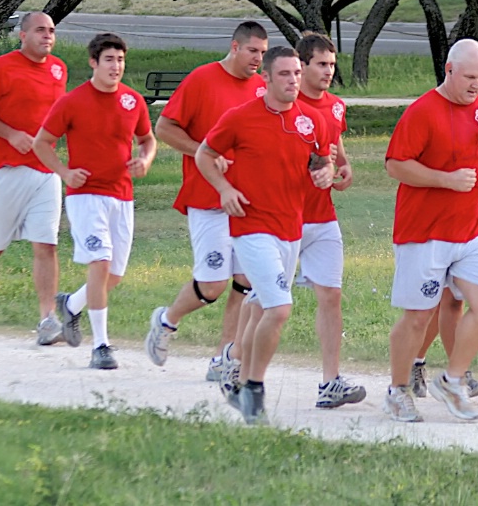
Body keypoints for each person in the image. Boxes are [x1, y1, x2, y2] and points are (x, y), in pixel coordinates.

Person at [195, 45, 334, 425]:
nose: (293, 80)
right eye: (285, 74)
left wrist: (324, 172)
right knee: (279, 308)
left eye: (295, 73)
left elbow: (322, 162)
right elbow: (205, 154)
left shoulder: (312, 121)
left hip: (291, 228)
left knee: (259, 307)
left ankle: (236, 375)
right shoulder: (240, 118)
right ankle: (254, 390)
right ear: (267, 78)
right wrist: (224, 189)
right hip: (251, 227)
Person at [384, 38, 478, 422]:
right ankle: (398, 390)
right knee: (419, 316)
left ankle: (452, 381)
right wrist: (444, 179)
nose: (477, 86)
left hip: (470, 231)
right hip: (424, 233)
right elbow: (395, 164)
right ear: (449, 70)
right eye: (470, 76)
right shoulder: (423, 112)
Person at [143, 21, 268, 380]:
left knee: (246, 282)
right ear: (234, 47)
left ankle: (224, 358)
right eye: (252, 51)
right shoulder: (202, 79)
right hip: (207, 196)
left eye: (262, 52)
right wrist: (205, 152)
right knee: (213, 285)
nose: (258, 59)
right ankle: (167, 322)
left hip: (246, 199)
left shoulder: (261, 88)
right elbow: (164, 127)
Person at [33, 33, 157, 370]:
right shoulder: (72, 101)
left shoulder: (132, 101)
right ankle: (101, 346)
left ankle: (71, 305)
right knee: (100, 264)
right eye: (109, 60)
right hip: (85, 195)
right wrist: (63, 171)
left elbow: (148, 139)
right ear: (93, 62)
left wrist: (145, 160)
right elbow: (42, 142)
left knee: (113, 275)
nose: (116, 66)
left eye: (120, 60)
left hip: (122, 196)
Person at [0, 12, 68, 343]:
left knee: (46, 243)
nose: (47, 36)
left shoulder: (59, 69)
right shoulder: (2, 67)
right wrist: (10, 134)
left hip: (45, 170)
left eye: (51, 31)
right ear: (22, 35)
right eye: (39, 31)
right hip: (4, 168)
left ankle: (47, 319)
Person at [291, 32, 365, 408]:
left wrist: (343, 164)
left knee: (331, 295)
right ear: (301, 65)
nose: (328, 72)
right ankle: (234, 361)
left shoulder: (335, 106)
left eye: (332, 65)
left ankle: (330, 381)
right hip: (282, 218)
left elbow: (333, 143)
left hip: (322, 216)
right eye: (321, 64)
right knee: (263, 301)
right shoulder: (283, 103)